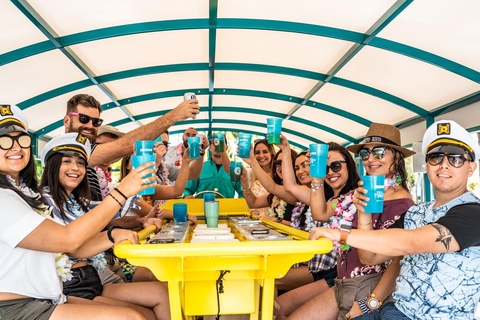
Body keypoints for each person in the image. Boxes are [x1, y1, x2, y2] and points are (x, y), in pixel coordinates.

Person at [311, 120, 480, 320]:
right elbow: (370, 257)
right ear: (427, 165)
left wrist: (340, 234)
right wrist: (363, 214)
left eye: (456, 159)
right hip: (394, 310)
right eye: (435, 157)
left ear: (471, 168)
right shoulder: (416, 212)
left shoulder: (473, 212)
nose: (444, 164)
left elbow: (411, 243)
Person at [0, 104, 150, 319]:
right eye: (4, 140)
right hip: (15, 307)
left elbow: (72, 250)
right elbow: (67, 240)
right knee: (131, 317)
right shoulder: (3, 198)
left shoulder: (24, 195)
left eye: (22, 140)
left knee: (142, 313)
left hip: (44, 299)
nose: (16, 147)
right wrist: (121, 192)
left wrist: (111, 235)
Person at [284, 123, 415, 320]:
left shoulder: (402, 202)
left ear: (396, 157)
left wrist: (371, 301)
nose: (370, 159)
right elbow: (320, 213)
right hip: (342, 282)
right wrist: (318, 175)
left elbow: (399, 260)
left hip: (368, 285)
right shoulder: (357, 194)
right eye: (365, 154)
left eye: (378, 152)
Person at [39, 133, 172, 319]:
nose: (75, 168)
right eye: (67, 161)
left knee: (163, 293)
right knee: (142, 315)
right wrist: (113, 235)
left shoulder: (78, 201)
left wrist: (142, 174)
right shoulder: (43, 203)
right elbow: (70, 247)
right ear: (52, 166)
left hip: (92, 279)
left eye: (81, 163)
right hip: (70, 288)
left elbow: (114, 209)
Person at [64, 93, 200, 201]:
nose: (90, 125)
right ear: (66, 121)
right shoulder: (63, 151)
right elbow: (126, 146)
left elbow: (95, 217)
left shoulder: (93, 173)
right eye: (83, 119)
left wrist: (137, 221)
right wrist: (174, 115)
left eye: (96, 121)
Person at [241, 148, 297, 224]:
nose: (280, 166)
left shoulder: (298, 190)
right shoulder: (277, 194)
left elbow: (299, 226)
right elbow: (253, 203)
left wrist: (274, 219)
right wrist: (244, 181)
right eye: (277, 163)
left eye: (285, 162)